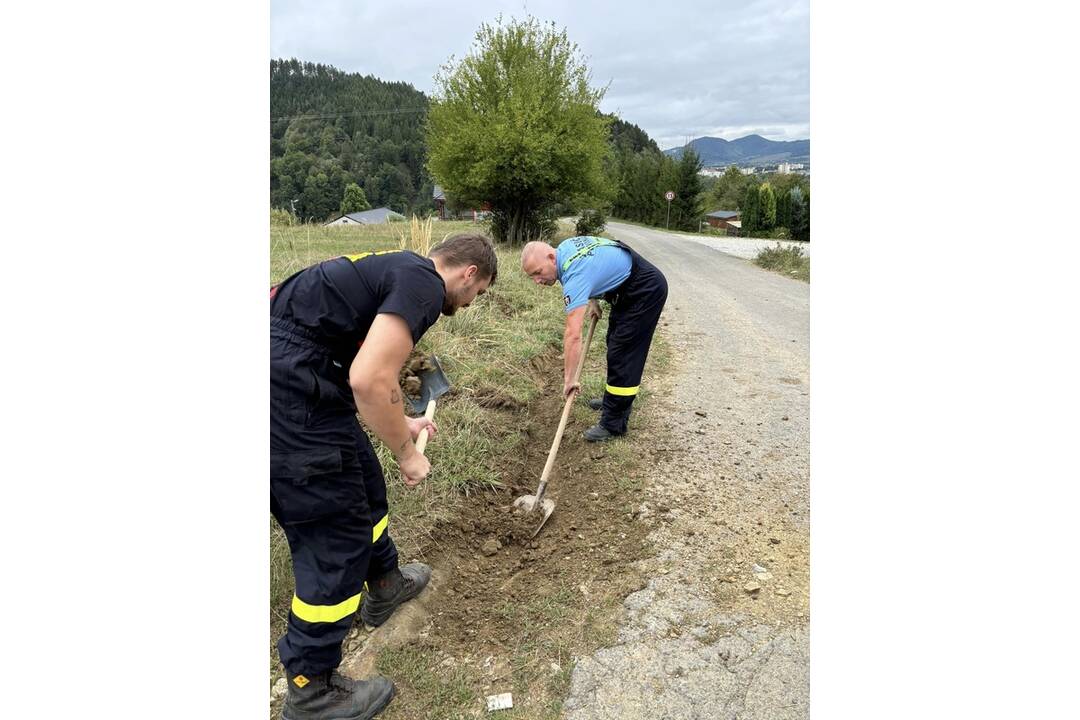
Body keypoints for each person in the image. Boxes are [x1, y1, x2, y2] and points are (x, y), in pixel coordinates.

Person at [270, 233, 498, 720]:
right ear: (469, 274)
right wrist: (407, 453)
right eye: (475, 295)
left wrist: (404, 422)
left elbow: (355, 364)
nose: (468, 302)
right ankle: (311, 688)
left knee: (365, 486)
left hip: (304, 378)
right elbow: (370, 379)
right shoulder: (425, 284)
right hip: (287, 395)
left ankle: (386, 585)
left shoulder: (394, 269)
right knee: (335, 536)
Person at [520, 235, 667, 442]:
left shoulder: (574, 274)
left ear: (551, 258)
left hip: (644, 289)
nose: (537, 280)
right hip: (625, 289)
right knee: (614, 343)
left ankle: (613, 424)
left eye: (538, 272)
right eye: (531, 277)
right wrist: (593, 299)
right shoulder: (566, 251)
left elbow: (573, 334)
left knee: (623, 354)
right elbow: (596, 261)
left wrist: (570, 380)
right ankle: (612, 400)